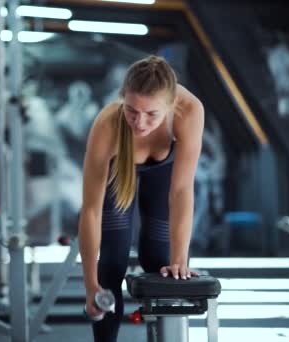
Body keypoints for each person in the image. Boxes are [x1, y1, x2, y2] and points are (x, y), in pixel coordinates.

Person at [77, 55, 205, 341]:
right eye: (132, 111)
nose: (140, 122)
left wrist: (180, 259)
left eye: (152, 115)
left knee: (160, 262)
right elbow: (91, 212)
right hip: (117, 173)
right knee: (111, 264)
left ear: (171, 106)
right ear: (123, 99)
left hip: (164, 176)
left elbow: (182, 190)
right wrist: (90, 287)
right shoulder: (108, 124)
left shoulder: (190, 111)